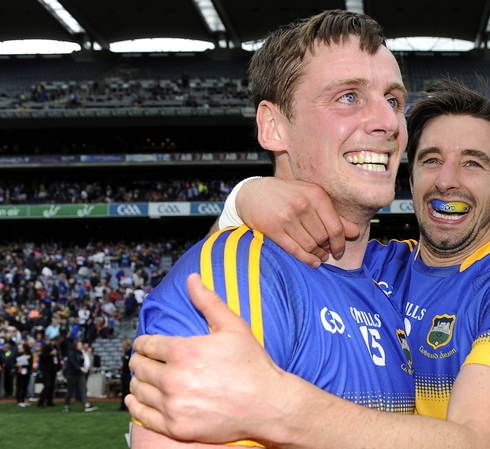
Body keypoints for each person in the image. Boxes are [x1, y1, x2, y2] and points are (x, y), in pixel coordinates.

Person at [127, 65, 490, 449]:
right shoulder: (366, 263)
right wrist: (242, 199)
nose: (447, 181)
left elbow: (474, 442)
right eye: (431, 160)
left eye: (473, 163)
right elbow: (220, 267)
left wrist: (275, 405)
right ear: (410, 178)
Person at [130, 9, 415, 448]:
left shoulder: (404, 274)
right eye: (348, 97)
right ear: (274, 126)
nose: (389, 122)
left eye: (394, 101)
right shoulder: (236, 274)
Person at [62, 341, 98, 413]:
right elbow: (73, 363)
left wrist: (82, 368)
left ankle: (86, 404)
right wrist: (80, 368)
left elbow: (81, 361)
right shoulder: (72, 353)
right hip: (72, 374)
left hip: (79, 374)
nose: (81, 346)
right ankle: (66, 405)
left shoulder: (80, 353)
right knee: (70, 390)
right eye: (79, 345)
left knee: (83, 388)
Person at [37, 335, 62, 408]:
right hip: (46, 369)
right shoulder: (47, 347)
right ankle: (41, 402)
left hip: (53, 369)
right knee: (47, 385)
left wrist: (59, 367)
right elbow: (42, 357)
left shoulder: (56, 348)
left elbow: (57, 358)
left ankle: (49, 401)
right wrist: (50, 354)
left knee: (52, 386)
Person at [14, 343, 33, 407]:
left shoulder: (29, 355)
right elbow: (14, 362)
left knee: (25, 386)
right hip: (19, 372)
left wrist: (23, 364)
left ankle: (23, 399)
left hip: (26, 372)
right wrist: (17, 365)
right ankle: (19, 400)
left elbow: (30, 364)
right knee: (19, 386)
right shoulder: (17, 354)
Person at [119, 338, 132, 411]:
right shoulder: (125, 353)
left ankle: (128, 406)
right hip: (124, 374)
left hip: (128, 374)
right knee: (123, 390)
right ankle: (123, 406)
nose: (122, 345)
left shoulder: (130, 352)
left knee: (128, 390)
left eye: (123, 344)